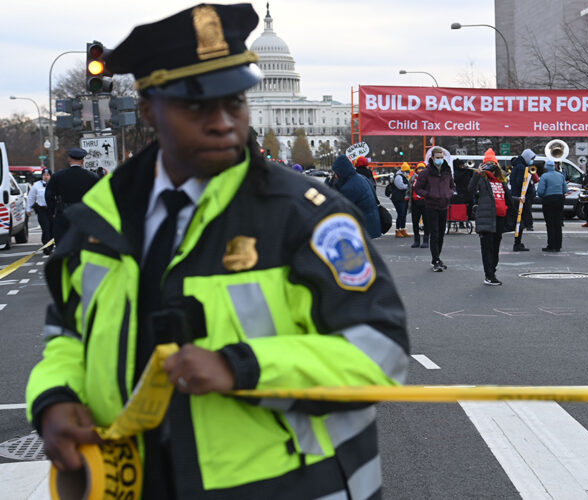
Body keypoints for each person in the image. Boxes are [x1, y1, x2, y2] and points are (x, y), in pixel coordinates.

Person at [26, 5, 408, 499]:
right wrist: (55, 398)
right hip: (134, 480)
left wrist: (242, 366)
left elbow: (383, 349)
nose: (224, 123)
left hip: (284, 486)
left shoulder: (304, 216)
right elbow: (67, 336)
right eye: (197, 106)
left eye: (235, 103)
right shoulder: (98, 221)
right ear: (148, 109)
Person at [468, 150, 512, 285]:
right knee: (487, 248)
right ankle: (489, 275)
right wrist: (478, 173)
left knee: (495, 248)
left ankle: (492, 271)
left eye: (493, 163)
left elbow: (506, 197)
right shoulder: (481, 179)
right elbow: (470, 189)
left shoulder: (501, 179)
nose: (490, 166)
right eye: (487, 163)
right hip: (487, 217)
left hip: (499, 218)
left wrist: (518, 199)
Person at [45, 147, 100, 245]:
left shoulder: (58, 176)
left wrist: (53, 210)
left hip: (64, 213)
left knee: (63, 243)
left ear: (69, 159)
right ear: (83, 161)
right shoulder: (93, 177)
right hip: (85, 214)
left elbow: (49, 195)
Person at [414, 146, 455, 272]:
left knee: (441, 234)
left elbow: (452, 185)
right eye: (437, 158)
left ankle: (437, 258)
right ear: (432, 158)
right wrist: (429, 195)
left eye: (441, 157)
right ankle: (436, 260)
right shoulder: (426, 172)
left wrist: (449, 193)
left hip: (444, 205)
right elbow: (418, 188)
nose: (440, 160)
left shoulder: (447, 171)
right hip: (431, 206)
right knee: (435, 233)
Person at [331, 155, 382, 238]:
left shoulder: (350, 186)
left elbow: (342, 208)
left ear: (341, 171)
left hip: (363, 226)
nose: (335, 175)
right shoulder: (361, 178)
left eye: (336, 172)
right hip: (371, 222)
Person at [536, 160, 567, 252]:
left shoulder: (544, 176)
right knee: (558, 223)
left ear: (546, 167)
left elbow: (540, 191)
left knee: (550, 223)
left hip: (548, 200)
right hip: (559, 199)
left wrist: (544, 195)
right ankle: (558, 245)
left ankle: (551, 245)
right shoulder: (561, 176)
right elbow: (565, 189)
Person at [509, 148, 535, 251]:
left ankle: (518, 242)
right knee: (520, 221)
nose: (532, 160)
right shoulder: (521, 167)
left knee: (520, 221)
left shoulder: (517, 166)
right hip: (521, 198)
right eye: (531, 158)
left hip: (518, 196)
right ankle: (517, 243)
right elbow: (521, 183)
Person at [26, 168, 54, 254]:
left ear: (50, 176)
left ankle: (51, 246)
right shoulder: (36, 185)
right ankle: (46, 247)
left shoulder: (54, 184)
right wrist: (28, 208)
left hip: (52, 210)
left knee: (52, 229)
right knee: (45, 229)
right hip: (42, 210)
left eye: (48, 175)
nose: (46, 177)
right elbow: (31, 197)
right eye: (44, 175)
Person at [408, 162, 429, 248]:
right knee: (415, 222)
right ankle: (416, 240)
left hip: (425, 203)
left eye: (422, 168)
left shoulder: (428, 178)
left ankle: (426, 240)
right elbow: (408, 189)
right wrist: (407, 198)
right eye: (419, 168)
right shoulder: (413, 178)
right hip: (415, 203)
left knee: (427, 222)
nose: (420, 170)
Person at [390, 163, 410, 237]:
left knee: (404, 214)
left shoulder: (405, 176)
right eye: (406, 171)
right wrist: (409, 186)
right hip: (397, 198)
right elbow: (401, 186)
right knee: (401, 214)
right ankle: (397, 230)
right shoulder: (398, 177)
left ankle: (403, 229)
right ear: (403, 170)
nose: (408, 172)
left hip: (403, 198)